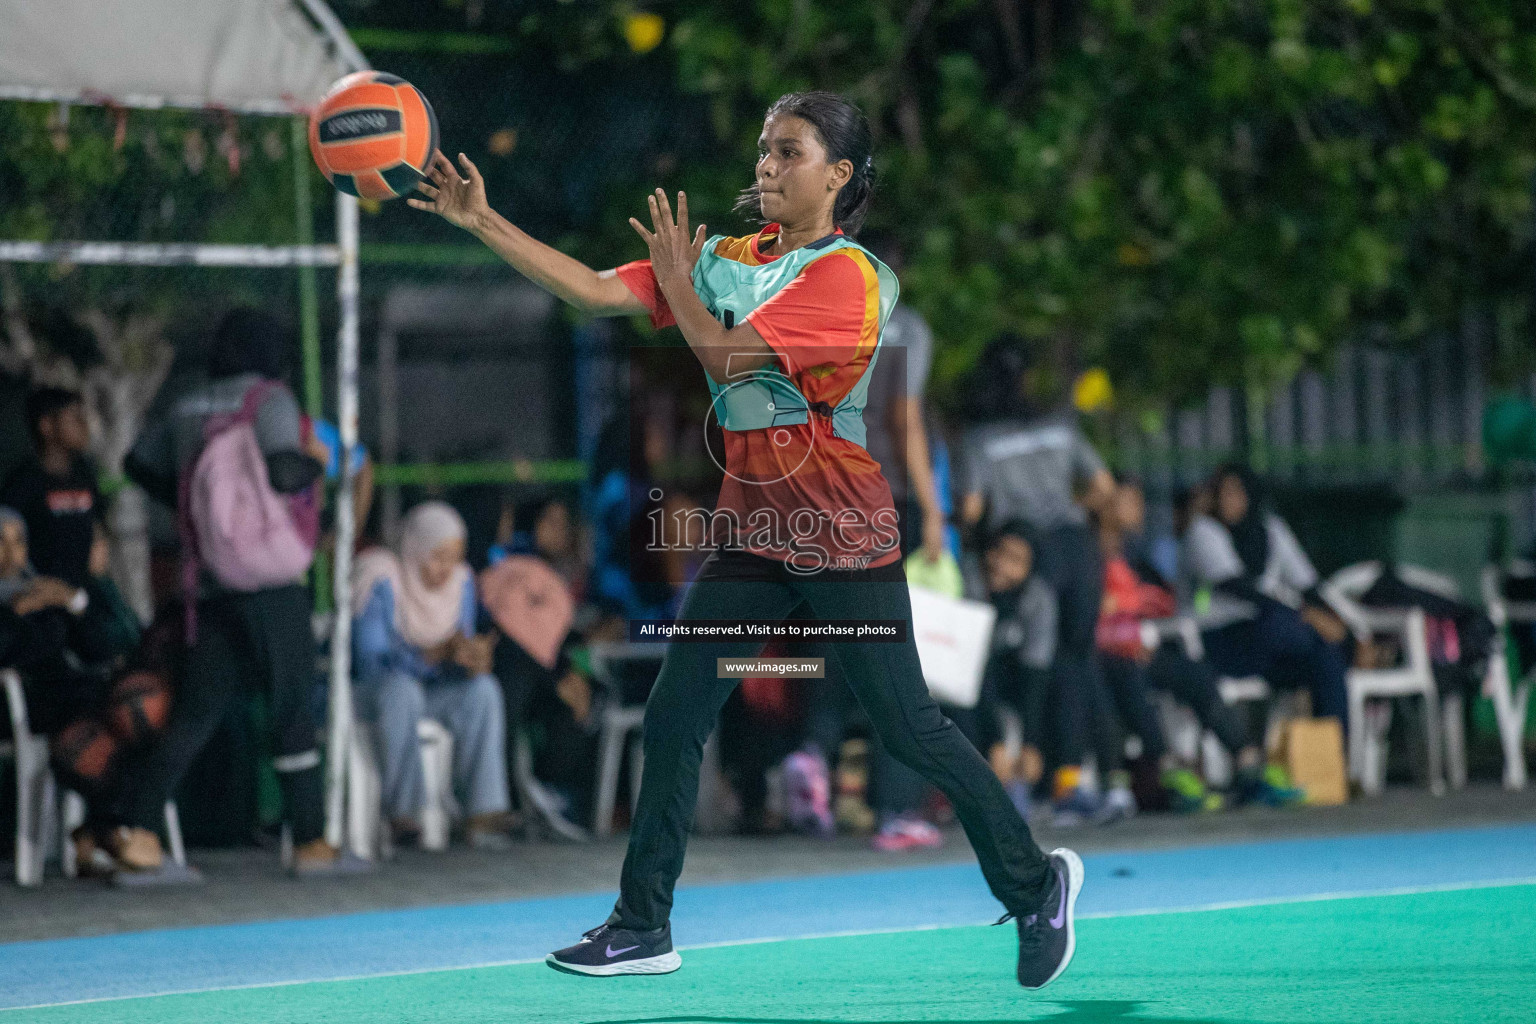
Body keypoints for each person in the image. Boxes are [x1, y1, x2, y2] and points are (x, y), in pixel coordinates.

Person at [411, 90, 1080, 988]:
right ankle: (642, 923)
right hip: (754, 531)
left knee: (909, 727)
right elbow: (596, 291)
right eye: (764, 150)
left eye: (788, 152)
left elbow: (729, 360)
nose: (765, 166)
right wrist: (481, 218)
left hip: (840, 529)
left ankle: (1038, 885)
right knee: (675, 713)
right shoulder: (732, 258)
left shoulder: (847, 277)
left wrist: (682, 288)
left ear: (837, 176)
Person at [121, 307, 365, 877]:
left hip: (209, 586)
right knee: (291, 707)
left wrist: (197, 511)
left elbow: (135, 463)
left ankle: (135, 830)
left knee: (195, 714)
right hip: (270, 580)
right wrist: (319, 466)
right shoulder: (268, 398)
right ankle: (309, 841)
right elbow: (282, 473)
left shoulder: (188, 406)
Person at [957, 334, 1116, 822]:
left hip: (1026, 548)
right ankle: (1078, 779)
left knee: (1035, 661)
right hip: (1074, 545)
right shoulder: (1059, 427)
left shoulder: (982, 439)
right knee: (1076, 661)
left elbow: (971, 508)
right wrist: (1068, 510)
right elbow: (1104, 487)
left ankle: (1034, 774)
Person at [1095, 478, 1301, 810]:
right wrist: (1122, 636)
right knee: (1130, 680)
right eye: (1130, 501)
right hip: (1102, 661)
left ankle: (1247, 765)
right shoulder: (1085, 553)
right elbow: (1087, 620)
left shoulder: (1134, 556)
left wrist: (1137, 627)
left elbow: (1157, 605)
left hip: (1142, 650)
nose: (1139, 510)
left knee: (1197, 675)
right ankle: (1168, 771)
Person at [353, 501, 515, 850]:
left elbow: (459, 645)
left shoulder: (461, 583)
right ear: (416, 548)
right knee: (402, 691)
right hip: (373, 694)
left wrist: (469, 658)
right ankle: (405, 815)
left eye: (453, 557)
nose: (445, 569)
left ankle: (482, 813)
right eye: (436, 557)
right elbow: (368, 661)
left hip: (428, 691)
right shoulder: (382, 577)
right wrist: (432, 655)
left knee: (483, 690)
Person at [1183, 465, 1349, 730]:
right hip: (1220, 640)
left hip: (1271, 644)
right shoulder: (1204, 531)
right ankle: (1342, 645)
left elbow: (1308, 584)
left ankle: (1331, 756)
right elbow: (1237, 587)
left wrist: (1337, 620)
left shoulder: (1271, 530)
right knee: (1280, 623)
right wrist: (1303, 615)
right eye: (1222, 493)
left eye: (1236, 492)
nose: (1228, 500)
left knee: (1326, 659)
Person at [959, 520, 1058, 821]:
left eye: (1016, 561)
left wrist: (1031, 743)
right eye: (999, 553)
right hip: (967, 679)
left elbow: (1035, 677)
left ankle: (1059, 785)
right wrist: (996, 741)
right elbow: (975, 667)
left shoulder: (1039, 599)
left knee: (1064, 683)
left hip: (1014, 679)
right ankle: (963, 793)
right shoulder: (968, 580)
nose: (1002, 565)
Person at [2, 386, 101, 588]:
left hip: (83, 600)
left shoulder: (85, 475)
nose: (84, 426)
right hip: (38, 601)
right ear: (46, 426)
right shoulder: (23, 484)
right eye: (74, 419)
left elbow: (97, 530)